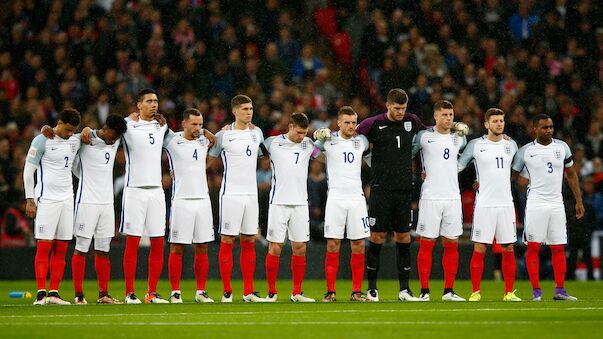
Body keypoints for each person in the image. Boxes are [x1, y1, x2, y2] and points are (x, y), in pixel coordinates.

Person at [355, 88, 425, 302]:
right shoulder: (373, 124)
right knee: (376, 236)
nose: (400, 112)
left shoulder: (412, 121)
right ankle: (372, 289)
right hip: (380, 189)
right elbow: (351, 137)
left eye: (403, 108)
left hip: (404, 189)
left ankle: (404, 289)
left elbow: (429, 135)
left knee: (403, 237)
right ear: (387, 105)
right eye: (397, 108)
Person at [511, 114, 585, 301]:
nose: (549, 130)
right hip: (535, 203)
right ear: (534, 129)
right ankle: (536, 291)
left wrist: (579, 200)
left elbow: (571, 174)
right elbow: (510, 177)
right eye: (544, 127)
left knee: (558, 247)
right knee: (534, 247)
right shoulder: (525, 151)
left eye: (551, 127)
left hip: (556, 203)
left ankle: (560, 290)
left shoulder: (562, 147)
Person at [457, 108, 521, 302]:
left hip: (506, 204)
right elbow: (458, 167)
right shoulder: (476, 145)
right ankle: (475, 292)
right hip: (484, 204)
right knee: (480, 247)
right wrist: (472, 183)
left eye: (501, 120)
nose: (499, 124)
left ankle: (509, 293)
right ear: (486, 124)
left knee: (508, 247)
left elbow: (517, 169)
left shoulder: (511, 145)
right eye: (495, 121)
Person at [113, 89, 169, 304]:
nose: (154, 104)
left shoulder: (162, 125)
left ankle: (151, 293)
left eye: (156, 101)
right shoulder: (126, 125)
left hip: (156, 191)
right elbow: (104, 133)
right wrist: (88, 130)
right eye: (149, 101)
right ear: (138, 105)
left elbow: (180, 140)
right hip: (134, 190)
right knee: (133, 242)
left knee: (157, 242)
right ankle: (130, 293)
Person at [208, 94, 265, 302]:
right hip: (230, 193)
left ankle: (248, 291)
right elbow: (209, 161)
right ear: (234, 111)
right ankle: (226, 291)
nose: (249, 112)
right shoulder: (223, 135)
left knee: (249, 239)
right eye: (245, 109)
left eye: (251, 108)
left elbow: (261, 155)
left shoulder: (257, 133)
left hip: (251, 194)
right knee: (227, 239)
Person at [24, 108, 81, 305]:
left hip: (67, 200)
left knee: (62, 247)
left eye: (74, 130)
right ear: (59, 123)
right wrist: (30, 199)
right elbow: (28, 170)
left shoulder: (74, 140)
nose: (70, 134)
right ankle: (41, 293)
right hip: (46, 200)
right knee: (44, 247)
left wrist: (88, 130)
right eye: (67, 129)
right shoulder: (42, 140)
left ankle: (54, 293)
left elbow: (94, 134)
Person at [412, 100, 467, 302]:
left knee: (451, 244)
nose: (448, 118)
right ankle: (424, 291)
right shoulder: (424, 137)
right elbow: (407, 155)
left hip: (453, 197)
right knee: (427, 244)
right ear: (435, 116)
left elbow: (466, 158)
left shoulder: (459, 139)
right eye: (444, 115)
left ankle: (448, 291)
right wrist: (419, 172)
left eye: (451, 115)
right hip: (430, 197)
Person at [263, 113, 320, 303]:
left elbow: (326, 158)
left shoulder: (308, 145)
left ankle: (297, 292)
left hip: (300, 203)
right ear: (290, 126)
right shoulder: (272, 142)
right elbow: (250, 152)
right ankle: (271, 292)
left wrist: (326, 140)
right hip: (278, 202)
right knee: (276, 247)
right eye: (299, 132)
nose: (301, 136)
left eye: (305, 133)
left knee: (300, 247)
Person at [315, 106, 370, 302]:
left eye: (354, 122)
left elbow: (371, 158)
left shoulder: (361, 141)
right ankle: (331, 292)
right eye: (346, 122)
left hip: (357, 199)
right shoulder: (329, 140)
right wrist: (317, 135)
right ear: (338, 123)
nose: (351, 126)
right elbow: (311, 149)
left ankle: (356, 292)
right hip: (336, 199)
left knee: (359, 245)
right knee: (333, 244)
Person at [71, 114, 127, 304]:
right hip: (86, 202)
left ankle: (103, 294)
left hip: (107, 204)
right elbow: (63, 139)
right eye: (114, 134)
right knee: (81, 249)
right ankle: (79, 295)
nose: (115, 139)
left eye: (118, 136)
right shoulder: (85, 139)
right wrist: (83, 130)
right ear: (106, 127)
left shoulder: (115, 141)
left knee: (103, 250)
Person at [164, 108, 215, 303]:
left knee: (202, 246)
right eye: (194, 124)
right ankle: (175, 292)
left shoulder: (203, 140)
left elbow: (213, 141)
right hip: (182, 200)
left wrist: (205, 131)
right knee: (177, 247)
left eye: (200, 124)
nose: (198, 128)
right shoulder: (171, 140)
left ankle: (200, 291)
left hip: (203, 200)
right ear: (183, 123)